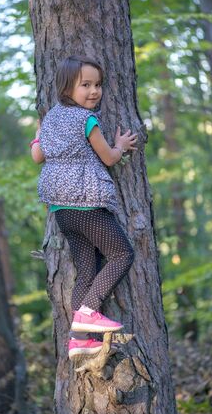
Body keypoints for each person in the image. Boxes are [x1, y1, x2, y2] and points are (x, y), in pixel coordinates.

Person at [30, 55, 137, 359]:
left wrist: (37, 135)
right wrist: (122, 146)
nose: (94, 91)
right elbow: (109, 158)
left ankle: (78, 339)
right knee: (121, 253)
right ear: (67, 88)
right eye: (85, 85)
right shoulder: (88, 120)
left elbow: (37, 156)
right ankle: (88, 312)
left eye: (98, 85)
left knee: (87, 269)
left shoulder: (50, 117)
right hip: (86, 203)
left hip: (61, 210)